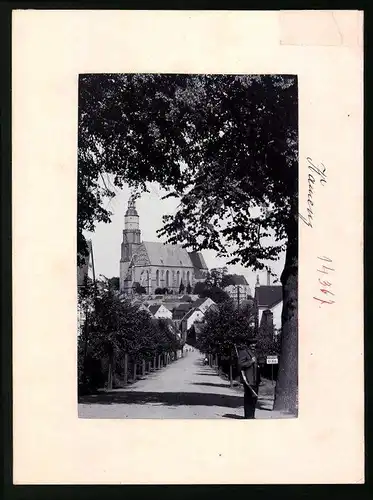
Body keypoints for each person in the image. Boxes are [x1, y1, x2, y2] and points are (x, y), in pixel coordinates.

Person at [237, 340, 260, 419]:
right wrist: (251, 361)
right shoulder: (244, 352)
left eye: (254, 344)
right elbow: (240, 364)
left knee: (254, 398)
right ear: (248, 345)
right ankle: (248, 416)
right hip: (248, 379)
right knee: (248, 398)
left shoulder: (255, 353)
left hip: (256, 380)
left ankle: (252, 415)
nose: (253, 345)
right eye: (252, 344)